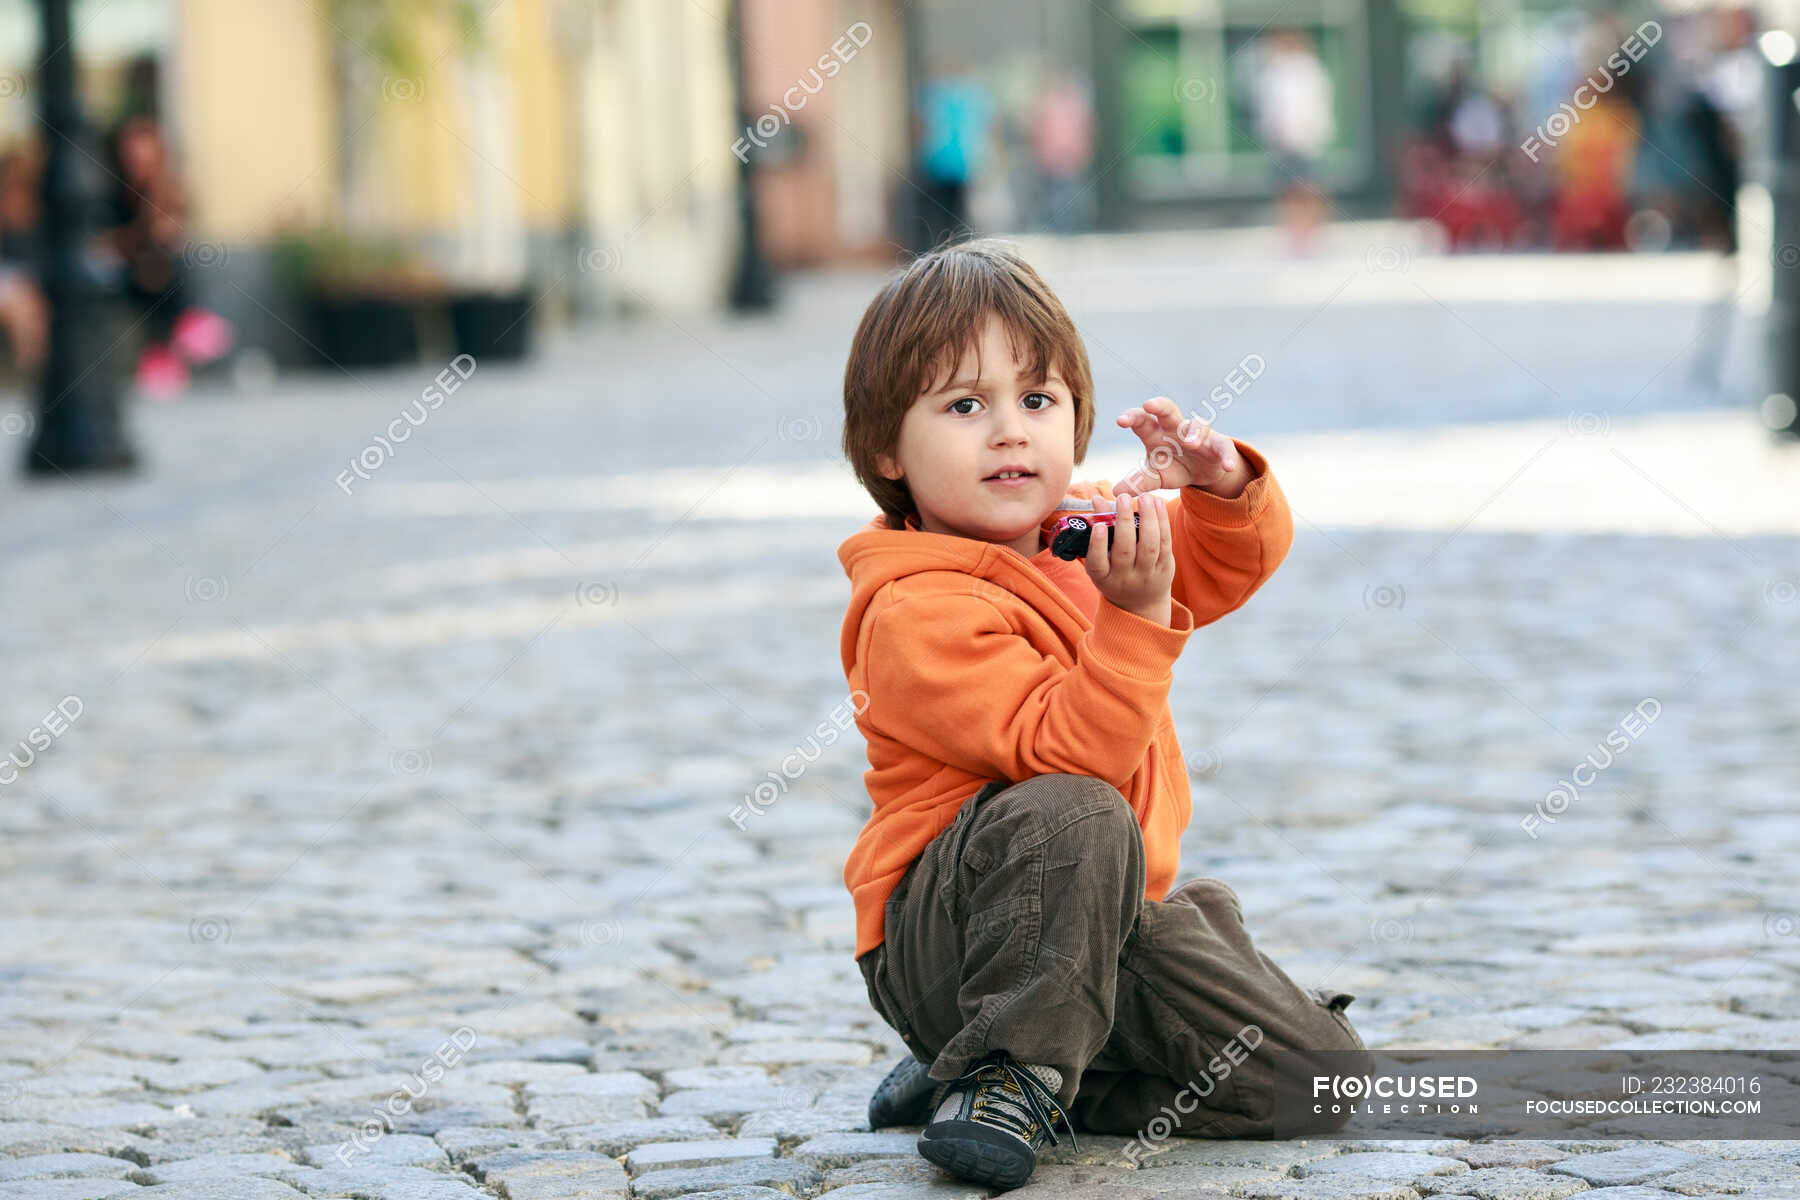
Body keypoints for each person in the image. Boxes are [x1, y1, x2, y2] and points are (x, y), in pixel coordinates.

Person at [835, 239, 1372, 1189]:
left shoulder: (1076, 532)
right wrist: (1130, 618)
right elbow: (1064, 751)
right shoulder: (915, 610)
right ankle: (1000, 1066)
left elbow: (1220, 569)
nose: (1010, 432)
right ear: (887, 447)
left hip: (1102, 922)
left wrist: (1219, 490)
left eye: (1037, 400)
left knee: (1320, 1083)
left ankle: (997, 1073)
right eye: (965, 406)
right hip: (949, 938)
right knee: (1077, 807)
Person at [1252, 30, 1335, 251]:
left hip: (1306, 140)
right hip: (1285, 142)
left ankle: (1312, 232)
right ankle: (1295, 233)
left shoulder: (1308, 71)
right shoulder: (1273, 74)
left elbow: (1316, 106)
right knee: (1289, 188)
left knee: (1308, 187)